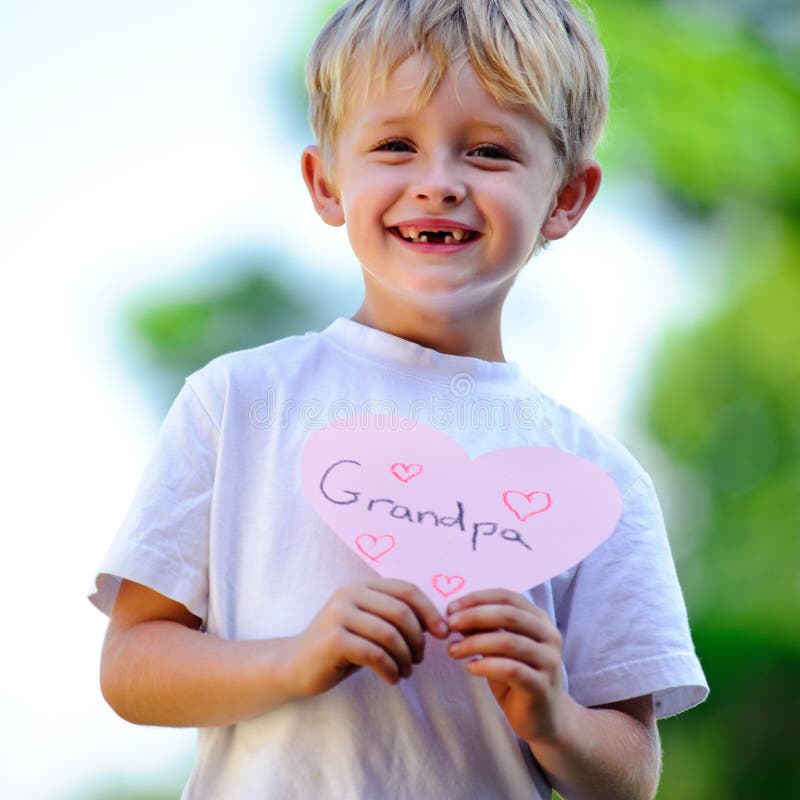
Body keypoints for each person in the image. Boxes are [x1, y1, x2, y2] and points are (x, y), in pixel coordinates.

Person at [90, 1, 709, 798]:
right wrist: (292, 658)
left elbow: (629, 775)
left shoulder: (600, 482)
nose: (439, 183)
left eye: (488, 151)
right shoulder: (238, 403)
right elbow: (131, 668)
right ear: (326, 182)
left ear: (567, 197)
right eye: (394, 145)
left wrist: (551, 713)